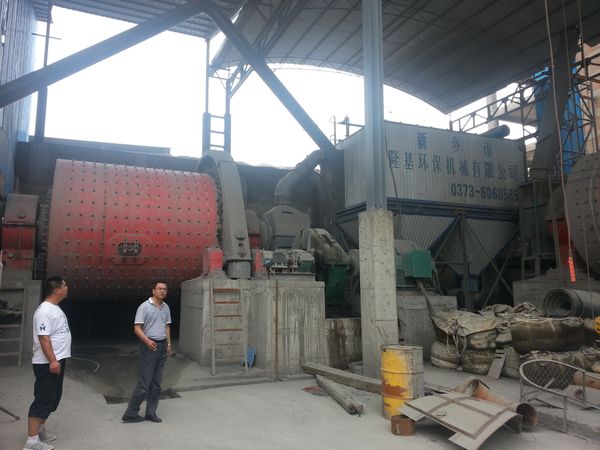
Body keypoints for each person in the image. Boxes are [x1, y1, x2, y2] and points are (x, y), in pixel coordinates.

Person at [24, 276, 71, 450]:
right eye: (65, 285)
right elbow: (44, 338)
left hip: (57, 360)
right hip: (47, 363)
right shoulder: (44, 311)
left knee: (52, 398)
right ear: (57, 290)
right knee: (43, 399)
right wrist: (52, 361)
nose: (67, 288)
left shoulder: (54, 308)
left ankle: (39, 429)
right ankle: (31, 441)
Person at [122, 281, 172, 423]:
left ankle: (151, 413)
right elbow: (137, 328)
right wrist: (147, 341)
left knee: (156, 383)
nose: (162, 291)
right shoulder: (144, 307)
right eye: (159, 289)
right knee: (145, 382)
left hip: (162, 347)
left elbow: (167, 326)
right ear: (153, 291)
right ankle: (130, 414)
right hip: (149, 347)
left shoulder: (166, 307)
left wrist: (168, 344)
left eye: (164, 289)